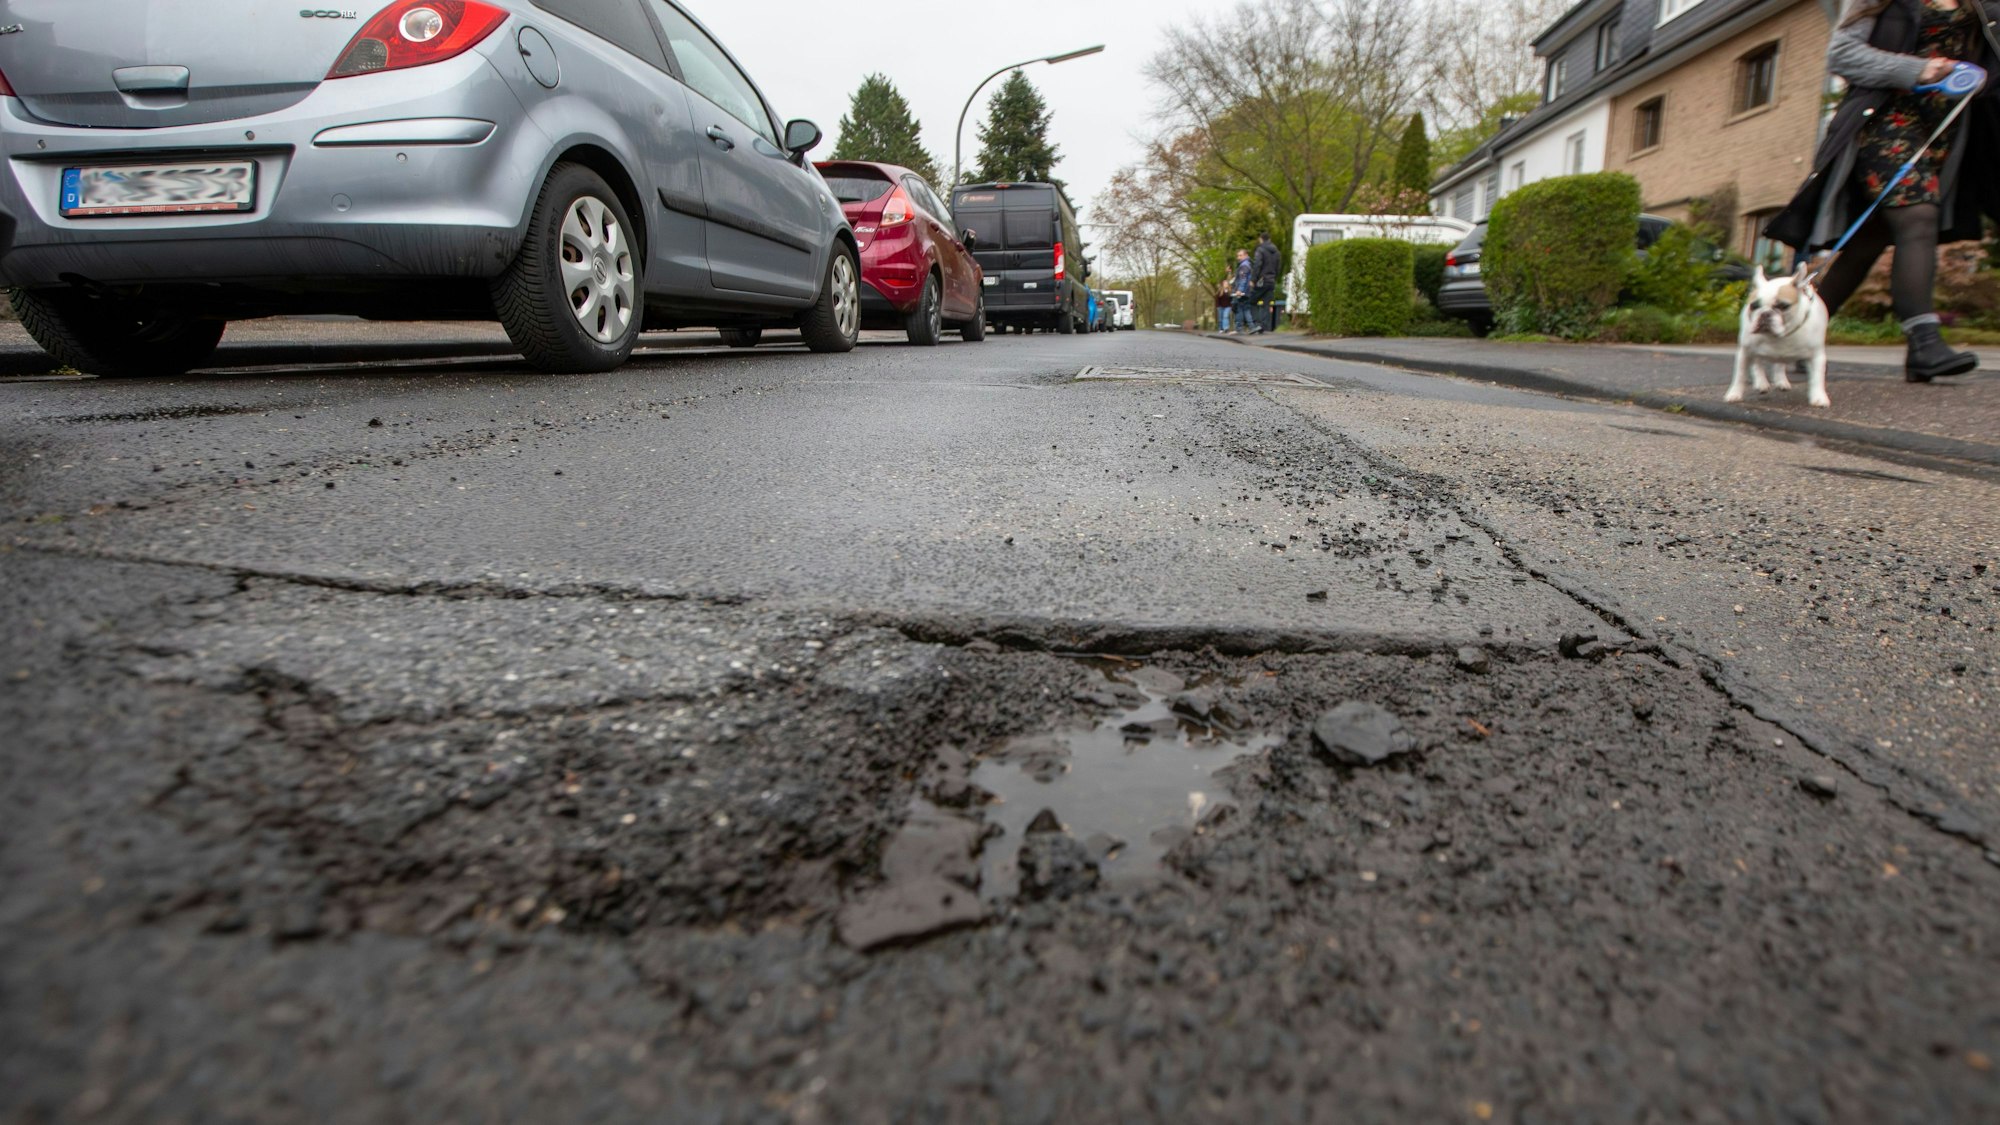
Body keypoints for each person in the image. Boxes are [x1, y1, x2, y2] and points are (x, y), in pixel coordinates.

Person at [1765, 0, 2000, 383]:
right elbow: (1842, 54)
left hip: (1944, 129)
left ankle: (1797, 334)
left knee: (1870, 239)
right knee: (1918, 214)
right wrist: (1920, 68)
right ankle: (1924, 343)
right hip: (1885, 118)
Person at [1250, 231, 1281, 334]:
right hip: (1271, 281)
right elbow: (1278, 267)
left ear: (1261, 239)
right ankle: (1264, 326)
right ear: (1270, 239)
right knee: (1266, 304)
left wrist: (1253, 280)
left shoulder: (1260, 250)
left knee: (1251, 301)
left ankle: (1257, 324)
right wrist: (1274, 277)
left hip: (1262, 281)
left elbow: (1257, 265)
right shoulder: (1276, 252)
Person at [1229, 250, 1254, 334]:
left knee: (1238, 309)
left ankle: (1239, 328)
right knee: (1246, 309)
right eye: (1238, 256)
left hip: (1241, 292)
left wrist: (1239, 290)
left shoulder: (1244, 266)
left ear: (1246, 255)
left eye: (1240, 255)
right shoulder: (1248, 264)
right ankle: (1251, 327)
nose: (1238, 258)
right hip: (1247, 291)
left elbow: (1243, 278)